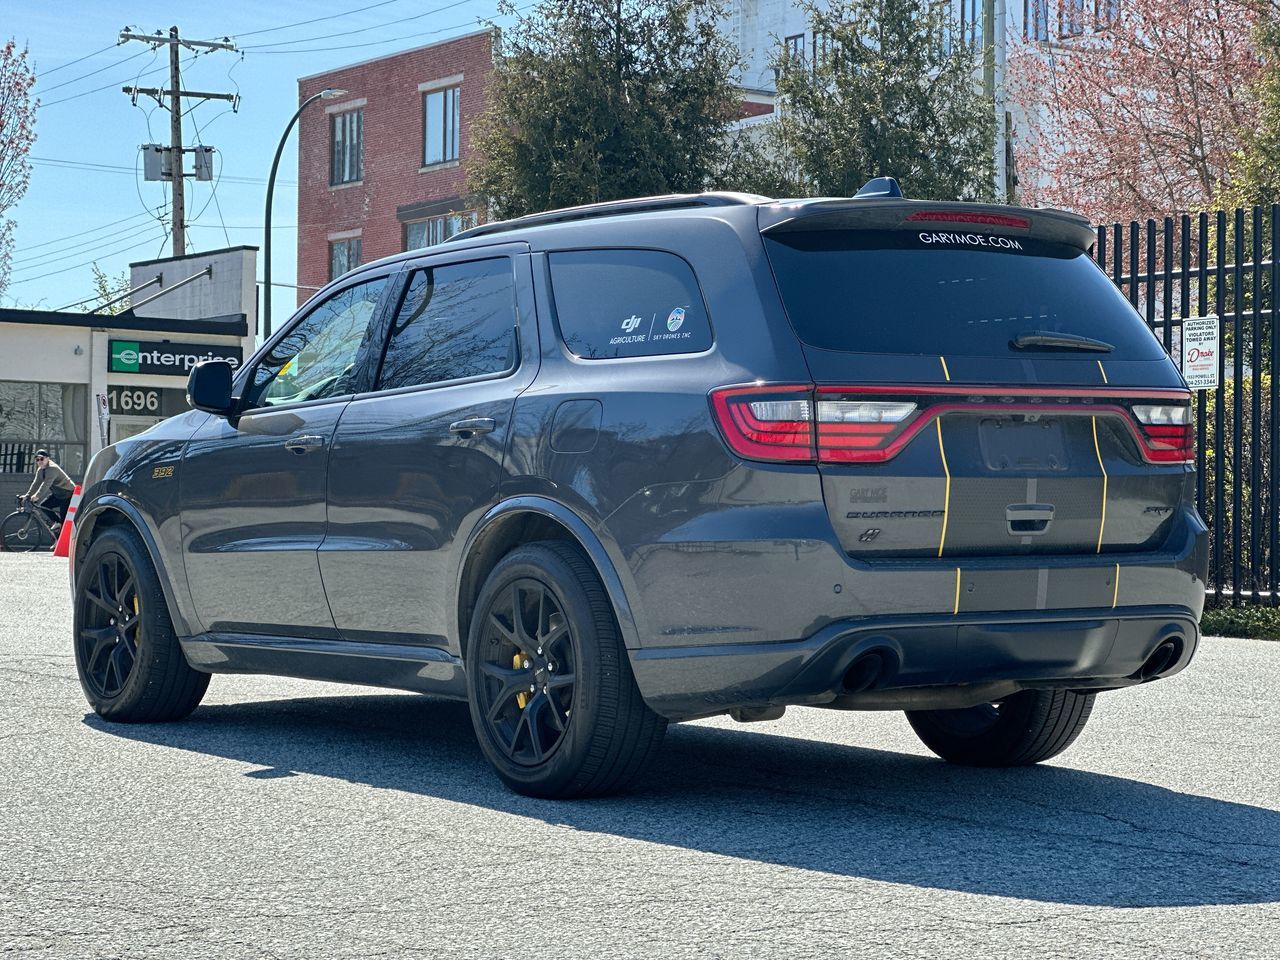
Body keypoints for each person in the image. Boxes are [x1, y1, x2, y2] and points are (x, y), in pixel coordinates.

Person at [20, 449, 75, 526]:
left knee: (64, 520)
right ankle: (57, 523)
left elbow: (46, 484)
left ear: (48, 459)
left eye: (42, 459)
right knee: (44, 506)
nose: (39, 461)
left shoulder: (52, 469)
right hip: (58, 494)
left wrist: (37, 496)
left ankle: (62, 528)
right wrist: (27, 495)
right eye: (37, 459)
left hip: (68, 494)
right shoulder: (40, 470)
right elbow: (36, 484)